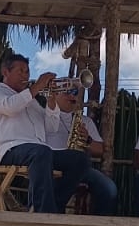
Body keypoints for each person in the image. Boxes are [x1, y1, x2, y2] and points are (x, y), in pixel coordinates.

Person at [0, 53, 90, 215]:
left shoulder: (31, 101)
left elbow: (51, 128)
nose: (25, 75)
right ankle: (43, 211)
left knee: (80, 160)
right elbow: (10, 107)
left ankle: (54, 205)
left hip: (39, 152)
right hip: (11, 149)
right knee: (41, 152)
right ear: (5, 72)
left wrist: (52, 102)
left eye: (27, 71)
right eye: (20, 71)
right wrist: (37, 87)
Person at [48, 86, 119, 215]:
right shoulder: (43, 116)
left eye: (74, 93)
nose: (72, 96)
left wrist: (87, 140)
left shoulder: (85, 120)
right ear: (55, 94)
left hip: (80, 168)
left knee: (109, 189)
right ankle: (54, 214)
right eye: (67, 92)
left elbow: (99, 150)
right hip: (50, 165)